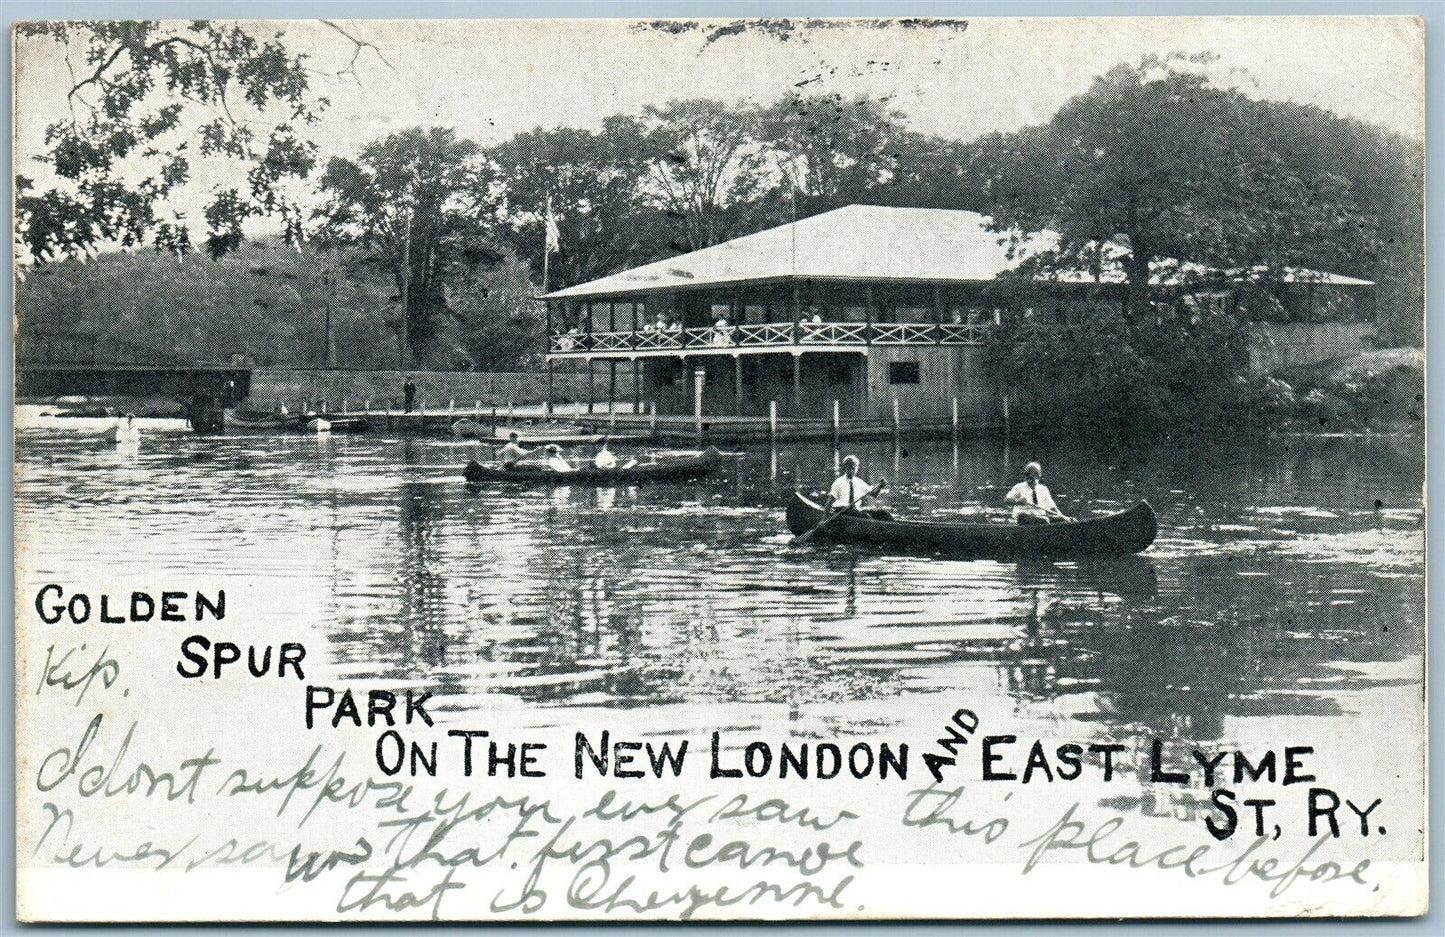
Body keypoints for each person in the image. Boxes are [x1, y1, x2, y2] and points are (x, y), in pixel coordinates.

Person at [1005, 462, 1070, 524]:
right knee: (1044, 520)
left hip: (1040, 516)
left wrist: (1063, 517)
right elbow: (1006, 500)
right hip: (1023, 517)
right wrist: (1018, 501)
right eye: (1028, 474)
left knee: (1060, 519)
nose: (1030, 476)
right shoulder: (1019, 487)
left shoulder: (1043, 489)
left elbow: (1052, 507)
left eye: (1034, 474)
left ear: (1039, 475)